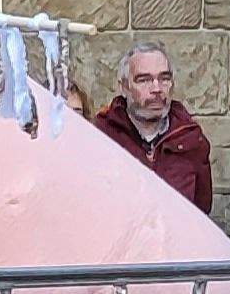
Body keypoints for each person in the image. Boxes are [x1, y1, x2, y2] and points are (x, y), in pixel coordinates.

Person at [88, 41, 215, 211]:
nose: (157, 88)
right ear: (124, 87)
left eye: (164, 78)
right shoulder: (101, 137)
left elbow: (201, 211)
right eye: (144, 80)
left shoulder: (191, 140)